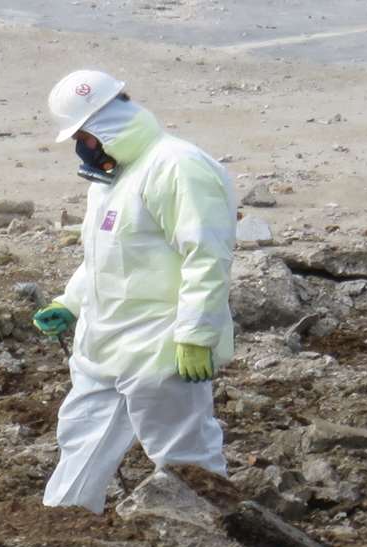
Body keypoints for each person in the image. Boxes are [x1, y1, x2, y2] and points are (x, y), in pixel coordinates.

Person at [31, 69, 237, 514]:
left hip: (162, 347)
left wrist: (197, 335)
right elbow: (104, 258)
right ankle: (63, 534)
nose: (81, 148)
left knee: (185, 458)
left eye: (82, 137)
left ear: (99, 129)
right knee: (82, 440)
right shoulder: (113, 179)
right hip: (104, 345)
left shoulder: (177, 166)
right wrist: (69, 303)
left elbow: (206, 256)